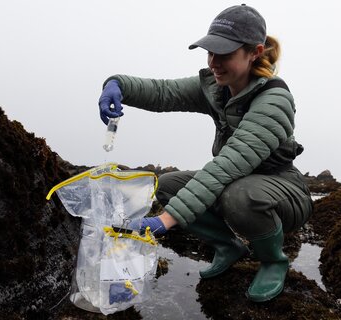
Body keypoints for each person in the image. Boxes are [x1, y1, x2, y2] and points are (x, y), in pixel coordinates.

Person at [98, 4, 313, 302]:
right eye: (210, 52)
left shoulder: (275, 101)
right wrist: (118, 84)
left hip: (283, 191)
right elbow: (163, 92)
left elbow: (227, 165)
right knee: (166, 185)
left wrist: (165, 220)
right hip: (237, 181)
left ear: (254, 52)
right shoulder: (217, 88)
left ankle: (273, 260)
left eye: (224, 53)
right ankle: (228, 246)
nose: (214, 61)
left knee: (238, 195)